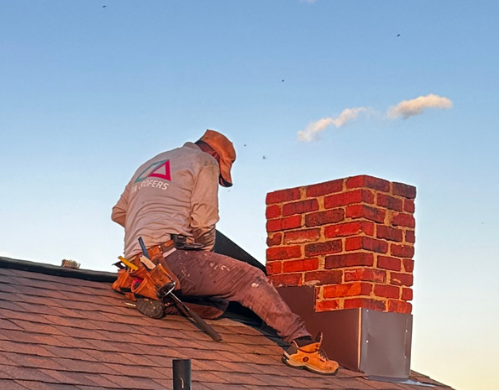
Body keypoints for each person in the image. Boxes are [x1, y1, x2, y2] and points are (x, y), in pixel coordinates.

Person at [111, 130, 339, 375]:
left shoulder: (151, 163)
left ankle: (160, 300)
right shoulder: (204, 161)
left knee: (218, 304)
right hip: (170, 258)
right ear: (213, 154)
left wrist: (151, 225)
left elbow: (119, 213)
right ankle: (303, 346)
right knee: (248, 279)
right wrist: (202, 252)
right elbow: (204, 221)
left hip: (136, 265)